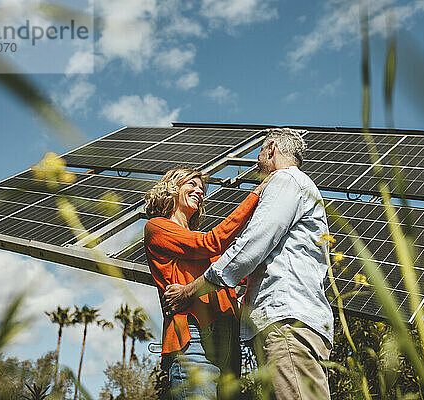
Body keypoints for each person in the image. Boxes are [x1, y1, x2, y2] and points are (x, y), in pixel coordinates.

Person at [164, 128, 335, 400]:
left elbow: (251, 246)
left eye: (259, 153)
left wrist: (191, 290)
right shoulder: (300, 187)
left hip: (286, 322)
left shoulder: (285, 180)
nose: (256, 162)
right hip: (289, 322)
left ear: (271, 149)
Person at [143, 168, 269, 400]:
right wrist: (256, 194)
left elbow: (235, 271)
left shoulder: (197, 240)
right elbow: (213, 242)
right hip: (194, 336)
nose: (199, 190)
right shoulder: (158, 227)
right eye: (191, 184)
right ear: (172, 188)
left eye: (201, 188)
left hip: (228, 338)